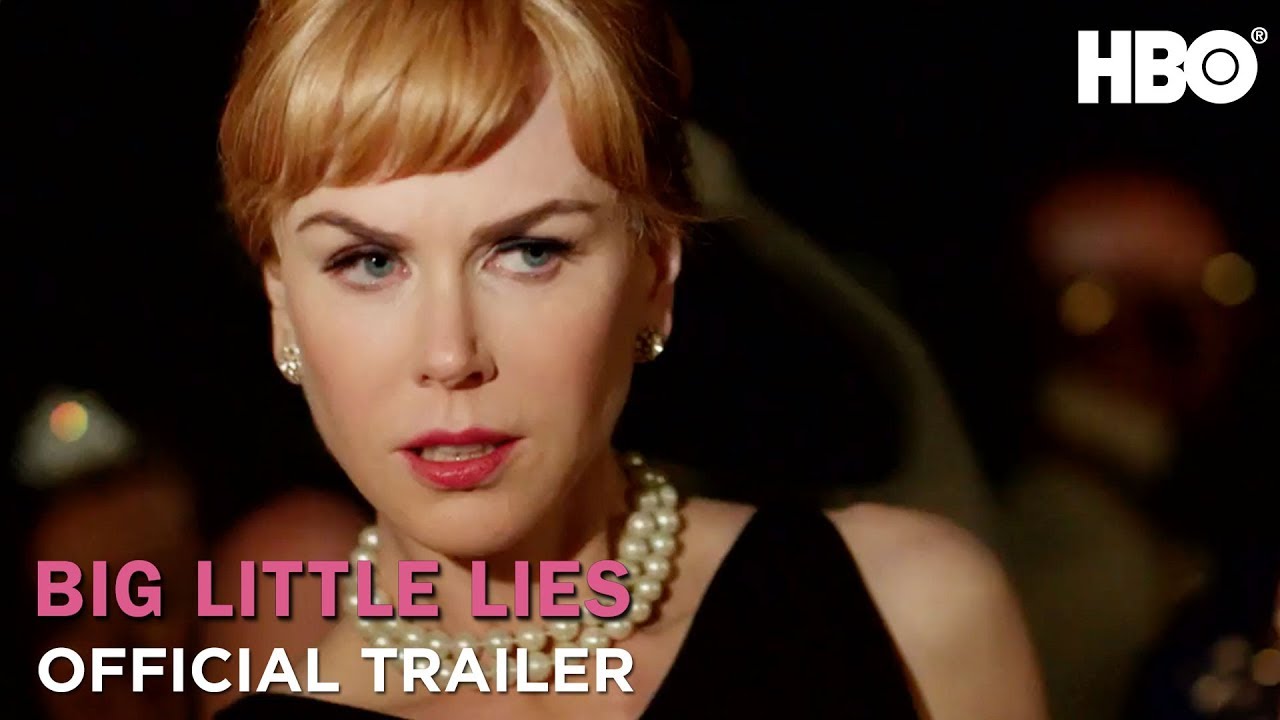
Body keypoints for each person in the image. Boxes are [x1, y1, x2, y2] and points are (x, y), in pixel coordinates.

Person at [203, 2, 1046, 718]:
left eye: (529, 252)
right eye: (369, 262)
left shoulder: (908, 608)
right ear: (283, 302)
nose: (451, 355)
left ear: (652, 275)